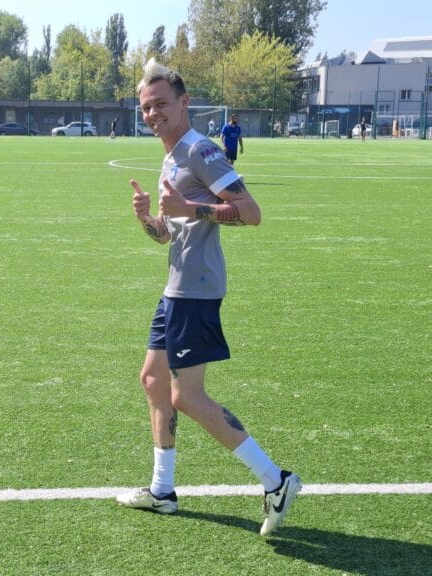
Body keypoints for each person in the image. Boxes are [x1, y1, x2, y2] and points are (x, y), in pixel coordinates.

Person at [117, 58, 301, 537]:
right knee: (153, 382)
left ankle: (275, 480)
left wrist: (190, 207)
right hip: (175, 286)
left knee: (188, 396)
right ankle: (162, 491)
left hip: (195, 291)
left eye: (160, 104)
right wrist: (147, 220)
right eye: (146, 107)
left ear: (184, 103)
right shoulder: (171, 156)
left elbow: (252, 213)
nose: (152, 114)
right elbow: (167, 234)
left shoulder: (201, 151)